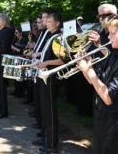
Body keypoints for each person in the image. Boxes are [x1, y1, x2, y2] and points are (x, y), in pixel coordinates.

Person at [78, 13, 118, 154]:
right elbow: (93, 82)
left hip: (115, 122)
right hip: (100, 116)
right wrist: (85, 68)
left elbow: (108, 98)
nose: (109, 37)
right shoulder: (115, 55)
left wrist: (90, 71)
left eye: (113, 33)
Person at [34, 10, 65, 154]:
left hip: (51, 78)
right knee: (44, 110)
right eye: (45, 22)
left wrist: (45, 62)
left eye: (49, 21)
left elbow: (62, 60)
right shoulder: (50, 36)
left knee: (50, 111)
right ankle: (46, 138)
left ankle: (52, 145)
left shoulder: (58, 37)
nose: (46, 23)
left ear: (57, 23)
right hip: (44, 75)